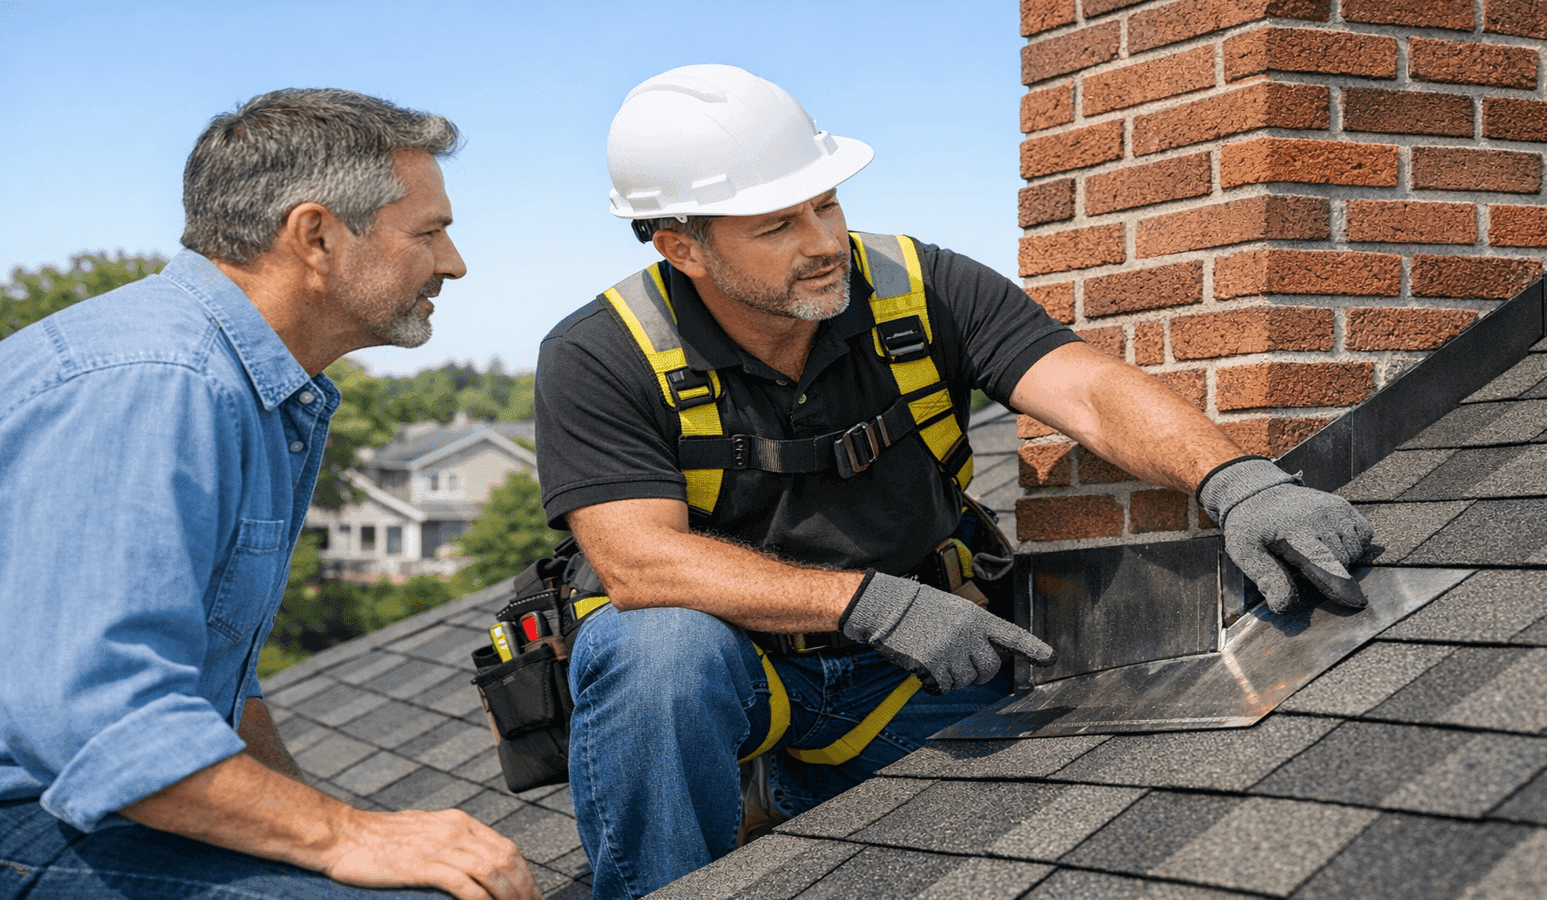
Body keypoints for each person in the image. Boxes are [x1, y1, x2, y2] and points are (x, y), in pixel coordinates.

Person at [533, 65, 1374, 900]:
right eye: (778, 224)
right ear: (683, 246)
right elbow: (639, 563)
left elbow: (1084, 389)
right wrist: (869, 602)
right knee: (653, 649)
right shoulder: (603, 356)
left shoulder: (917, 288)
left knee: (1047, 838)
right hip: (740, 680)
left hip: (915, 670)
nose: (824, 241)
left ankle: (782, 795)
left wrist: (1235, 481)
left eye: (827, 202)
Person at [0, 89, 539, 900]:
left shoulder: (255, 391)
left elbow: (214, 676)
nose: (453, 263)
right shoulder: (157, 384)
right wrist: (346, 835)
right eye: (429, 232)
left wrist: (330, 833)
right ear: (316, 235)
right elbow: (103, 721)